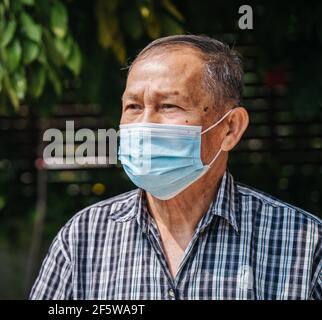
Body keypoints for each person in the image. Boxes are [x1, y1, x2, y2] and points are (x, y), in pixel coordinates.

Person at [30, 35, 322, 300]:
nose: (144, 124)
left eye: (169, 106)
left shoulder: (303, 244)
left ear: (230, 128)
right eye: (133, 107)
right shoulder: (83, 237)